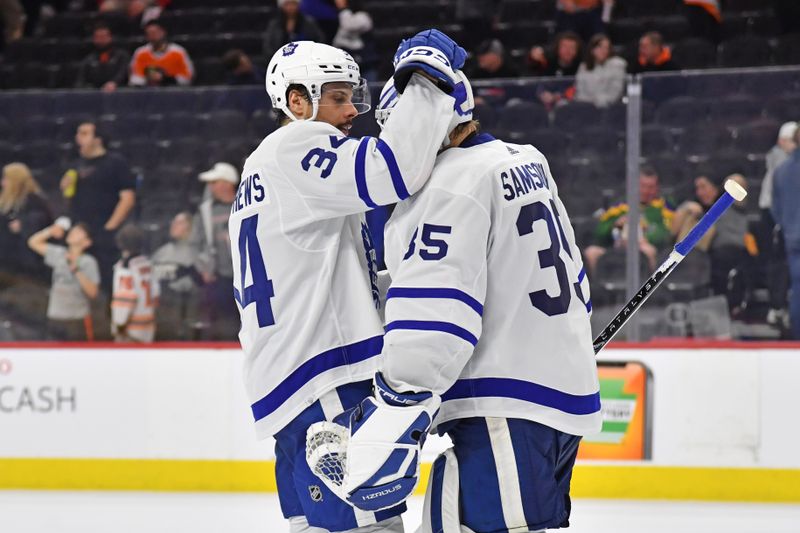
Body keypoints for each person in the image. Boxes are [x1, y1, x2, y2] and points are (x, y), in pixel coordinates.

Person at [315, 71, 600, 532]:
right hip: (555, 393)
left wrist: (395, 399)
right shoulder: (526, 159)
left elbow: (434, 313)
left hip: (503, 401)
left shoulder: (450, 183)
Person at [230, 32, 465, 532]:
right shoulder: (296, 145)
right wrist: (425, 81)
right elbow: (392, 171)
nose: (352, 111)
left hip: (284, 384)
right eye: (337, 97)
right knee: (371, 528)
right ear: (297, 102)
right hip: (328, 375)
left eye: (352, 97)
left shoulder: (258, 176)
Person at [61, 121, 136, 295]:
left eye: (84, 133)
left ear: (98, 139)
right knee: (78, 276)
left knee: (107, 279)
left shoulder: (115, 162)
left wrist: (110, 226)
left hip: (104, 230)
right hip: (81, 231)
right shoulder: (76, 163)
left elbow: (128, 198)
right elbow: (69, 198)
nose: (78, 138)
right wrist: (65, 189)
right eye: (78, 133)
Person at [672, 174, 751, 309]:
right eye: (697, 188)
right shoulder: (695, 209)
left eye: (704, 187)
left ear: (716, 187)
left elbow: (739, 185)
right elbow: (673, 234)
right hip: (701, 258)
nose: (700, 192)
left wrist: (731, 185)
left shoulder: (732, 205)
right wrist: (686, 207)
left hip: (732, 255)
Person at [584, 168, 673, 274]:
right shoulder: (620, 206)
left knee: (649, 251)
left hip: (642, 250)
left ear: (657, 188)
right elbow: (599, 232)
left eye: (650, 187)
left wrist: (647, 232)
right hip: (616, 249)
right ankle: (597, 288)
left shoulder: (663, 208)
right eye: (642, 186)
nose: (645, 191)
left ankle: (651, 288)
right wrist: (614, 225)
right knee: (591, 252)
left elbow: (666, 235)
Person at [189, 162, 238, 341]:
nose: (210, 186)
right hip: (220, 277)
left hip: (250, 276)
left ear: (227, 183)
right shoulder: (206, 211)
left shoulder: (247, 204)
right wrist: (204, 268)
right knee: (222, 321)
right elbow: (195, 244)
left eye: (214, 181)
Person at [28, 220, 100, 341]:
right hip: (55, 316)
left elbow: (93, 292)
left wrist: (77, 270)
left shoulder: (89, 262)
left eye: (79, 232)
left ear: (87, 242)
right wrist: (51, 230)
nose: (73, 232)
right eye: (73, 230)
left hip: (77, 319)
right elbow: (33, 242)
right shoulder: (59, 254)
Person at [760, 122, 796, 326]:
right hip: (775, 217)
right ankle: (777, 307)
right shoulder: (781, 160)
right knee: (779, 264)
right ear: (782, 141)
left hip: (789, 217)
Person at [0, 163, 53, 281]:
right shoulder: (5, 200)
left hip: (26, 263)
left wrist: (23, 224)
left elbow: (44, 222)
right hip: (6, 257)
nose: (2, 183)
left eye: (5, 179)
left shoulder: (35, 200)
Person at [772, 131, 800, 339]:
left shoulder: (781, 170)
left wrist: (789, 226)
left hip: (793, 237)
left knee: (797, 287)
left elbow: (775, 208)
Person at [111, 224, 158, 343]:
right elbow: (156, 293)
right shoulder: (147, 264)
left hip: (130, 330)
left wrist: (119, 324)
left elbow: (125, 299)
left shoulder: (125, 267)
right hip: (147, 326)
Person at [129, 19, 194, 87]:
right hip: (147, 92)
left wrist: (166, 79)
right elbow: (134, 78)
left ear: (163, 32)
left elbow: (187, 77)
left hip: (173, 91)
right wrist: (148, 79)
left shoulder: (178, 52)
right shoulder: (140, 53)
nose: (153, 36)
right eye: (149, 33)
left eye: (155, 32)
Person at [574, 33, 627, 107]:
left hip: (610, 107)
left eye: (606, 48)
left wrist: (599, 102)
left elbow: (615, 92)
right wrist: (590, 103)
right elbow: (579, 91)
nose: (604, 50)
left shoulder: (617, 66)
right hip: (586, 107)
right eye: (600, 47)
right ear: (592, 50)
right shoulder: (583, 67)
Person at [75, 23, 131, 91]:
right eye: (98, 37)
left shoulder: (122, 56)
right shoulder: (88, 60)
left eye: (104, 37)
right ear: (94, 39)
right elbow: (80, 81)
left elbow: (123, 73)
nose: (101, 40)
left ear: (110, 37)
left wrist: (114, 82)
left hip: (118, 93)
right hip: (94, 95)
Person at [332, 0, 378, 81]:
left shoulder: (363, 16)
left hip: (364, 62)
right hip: (346, 63)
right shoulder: (339, 16)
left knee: (368, 89)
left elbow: (348, 25)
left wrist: (343, 8)